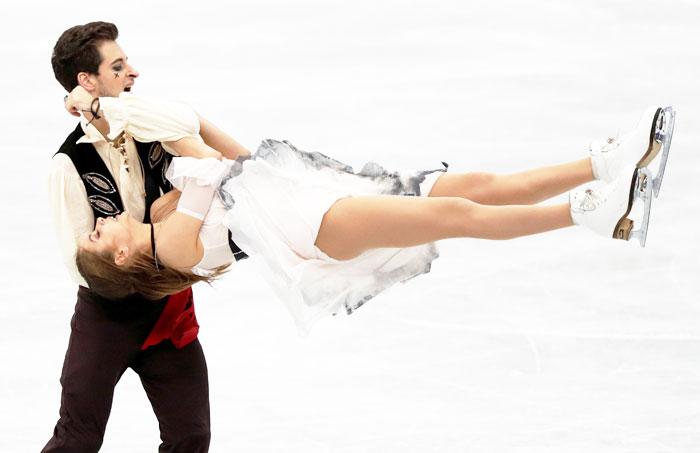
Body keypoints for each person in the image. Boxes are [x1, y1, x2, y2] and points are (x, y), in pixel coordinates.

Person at [66, 86, 674, 335]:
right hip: (315, 225)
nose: (98, 222)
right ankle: (594, 213)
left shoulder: (164, 203)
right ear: (121, 255)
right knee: (457, 214)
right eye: (96, 236)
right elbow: (197, 155)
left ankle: (604, 164)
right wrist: (109, 112)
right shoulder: (171, 245)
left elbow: (220, 148)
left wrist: (114, 110)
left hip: (300, 192)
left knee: (477, 186)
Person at [44, 22, 250, 452]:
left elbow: (189, 122)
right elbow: (80, 258)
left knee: (191, 436)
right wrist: (155, 266)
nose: (132, 72)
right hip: (107, 316)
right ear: (88, 80)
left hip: (167, 307)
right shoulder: (68, 165)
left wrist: (99, 106)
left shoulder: (147, 126)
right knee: (77, 440)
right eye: (118, 66)